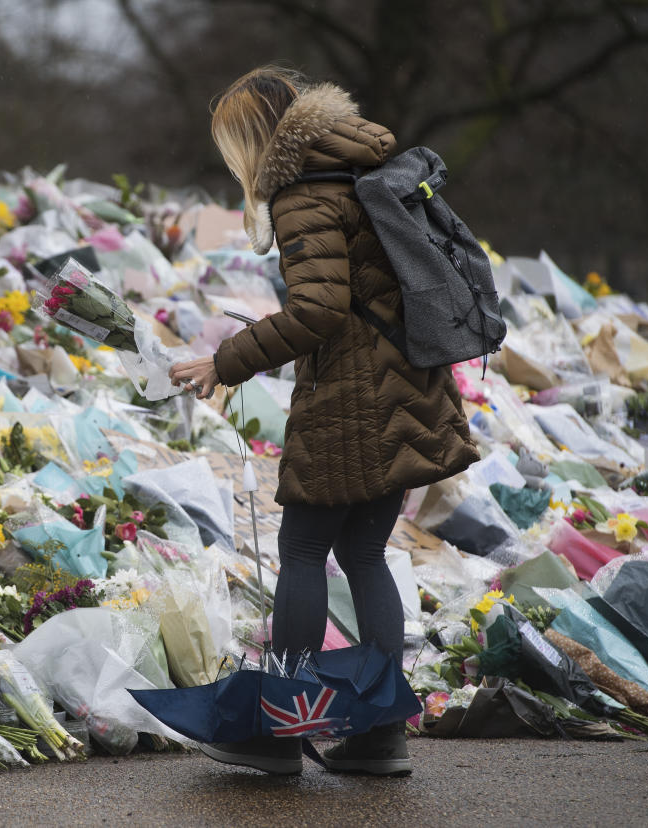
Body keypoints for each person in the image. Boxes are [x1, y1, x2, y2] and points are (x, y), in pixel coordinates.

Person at [168, 67, 479, 776]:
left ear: (253, 139)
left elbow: (318, 309)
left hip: (351, 398)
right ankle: (380, 731)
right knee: (365, 555)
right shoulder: (362, 164)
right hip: (410, 385)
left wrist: (227, 362)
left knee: (304, 550)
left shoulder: (303, 192)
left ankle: (279, 730)